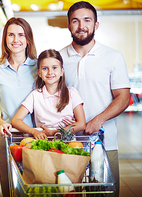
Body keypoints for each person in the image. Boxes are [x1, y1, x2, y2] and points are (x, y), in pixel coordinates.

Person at [60, 1, 131, 196]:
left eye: (87, 20)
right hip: (67, 145)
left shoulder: (113, 57)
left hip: (104, 144)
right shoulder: (58, 59)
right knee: (68, 193)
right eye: (75, 21)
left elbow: (123, 97)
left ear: (96, 25)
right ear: (68, 25)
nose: (81, 26)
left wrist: (97, 120)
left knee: (104, 193)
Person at [0, 17, 37, 197]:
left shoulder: (39, 67)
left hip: (35, 137)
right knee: (9, 189)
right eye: (11, 35)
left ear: (28, 38)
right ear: (5, 39)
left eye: (21, 35)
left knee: (34, 189)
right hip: (7, 137)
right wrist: (1, 123)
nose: (16, 40)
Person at [11, 49, 86, 139]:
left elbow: (81, 124)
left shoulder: (72, 93)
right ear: (39, 73)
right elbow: (16, 120)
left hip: (67, 145)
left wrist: (55, 132)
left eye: (54, 68)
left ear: (62, 71)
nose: (50, 72)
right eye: (45, 68)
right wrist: (34, 131)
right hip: (43, 146)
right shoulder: (35, 95)